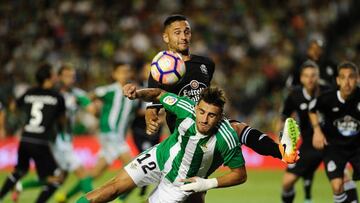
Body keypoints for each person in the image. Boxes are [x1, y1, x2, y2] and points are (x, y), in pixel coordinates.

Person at [145, 14, 300, 202]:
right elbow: (152, 107)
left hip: (208, 127)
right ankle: (282, 152)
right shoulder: (159, 69)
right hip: (185, 139)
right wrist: (151, 119)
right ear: (166, 37)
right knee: (193, 196)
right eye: (177, 33)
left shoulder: (205, 64)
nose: (183, 37)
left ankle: (282, 152)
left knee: (235, 127)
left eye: (187, 32)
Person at [76, 85, 247, 203]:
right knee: (111, 189)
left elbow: (240, 174)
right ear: (196, 108)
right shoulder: (185, 107)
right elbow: (158, 93)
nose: (204, 119)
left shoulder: (227, 137)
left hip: (179, 182)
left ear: (220, 116)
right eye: (201, 112)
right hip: (160, 156)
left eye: (211, 115)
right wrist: (138, 93)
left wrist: (206, 184)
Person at [12, 64, 96, 202]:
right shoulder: (53, 94)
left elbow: (92, 109)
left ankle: (20, 186)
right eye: (67, 76)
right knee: (83, 174)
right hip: (57, 142)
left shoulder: (77, 94)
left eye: (73, 76)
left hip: (68, 141)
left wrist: (93, 103)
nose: (71, 79)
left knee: (58, 179)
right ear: (59, 77)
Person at [0, 63, 66, 203]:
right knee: (58, 178)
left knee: (19, 171)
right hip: (41, 142)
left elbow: (13, 107)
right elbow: (62, 121)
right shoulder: (57, 97)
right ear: (49, 78)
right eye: (54, 74)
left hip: (26, 138)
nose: (56, 76)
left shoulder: (30, 92)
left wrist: (24, 120)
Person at [280, 60, 332, 203]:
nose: (310, 79)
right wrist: (282, 136)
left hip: (331, 143)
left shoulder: (328, 91)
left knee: (341, 182)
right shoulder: (294, 96)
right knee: (286, 183)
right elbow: (284, 116)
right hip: (308, 145)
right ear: (301, 78)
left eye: (313, 75)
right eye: (306, 76)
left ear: (318, 76)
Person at [309, 61, 360, 203]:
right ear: (338, 80)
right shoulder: (327, 98)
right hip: (334, 147)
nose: (347, 82)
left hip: (357, 147)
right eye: (343, 77)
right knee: (337, 187)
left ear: (357, 79)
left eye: (351, 77)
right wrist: (317, 131)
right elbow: (312, 109)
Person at [131, 63, 163, 199]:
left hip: (156, 130)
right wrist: (149, 112)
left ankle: (143, 190)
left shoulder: (161, 89)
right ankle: (143, 190)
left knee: (154, 159)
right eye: (147, 70)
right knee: (147, 155)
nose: (150, 72)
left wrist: (161, 116)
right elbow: (133, 110)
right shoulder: (138, 89)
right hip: (140, 131)